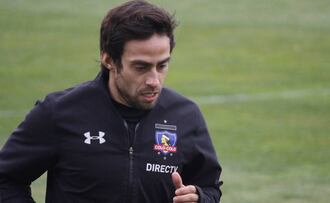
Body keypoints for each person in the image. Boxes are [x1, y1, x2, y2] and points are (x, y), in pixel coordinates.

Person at [0, 0, 222, 202]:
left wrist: (200, 198)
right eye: (141, 67)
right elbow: (6, 179)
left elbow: (210, 187)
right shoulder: (60, 113)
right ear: (109, 60)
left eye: (162, 65)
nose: (154, 80)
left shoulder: (185, 115)